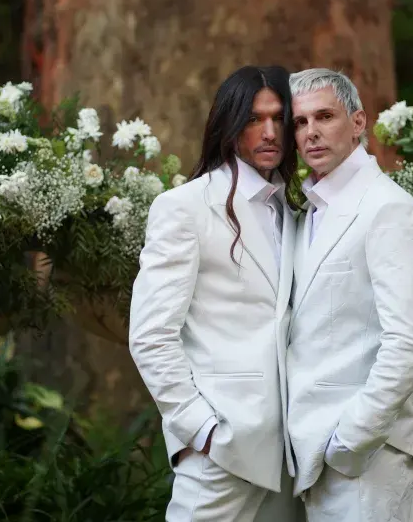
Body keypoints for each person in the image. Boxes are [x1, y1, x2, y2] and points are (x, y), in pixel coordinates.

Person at [129, 65, 299, 521]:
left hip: (292, 447)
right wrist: (200, 430)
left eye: (279, 118)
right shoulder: (184, 208)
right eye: (252, 119)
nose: (268, 132)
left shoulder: (294, 208)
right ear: (229, 125)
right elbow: (150, 335)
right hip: (223, 444)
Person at [285, 68, 413, 521]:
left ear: (357, 123)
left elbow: (409, 343)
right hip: (312, 455)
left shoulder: (388, 209)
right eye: (299, 122)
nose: (311, 132)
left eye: (325, 116)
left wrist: (351, 441)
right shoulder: (306, 213)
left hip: (366, 458)